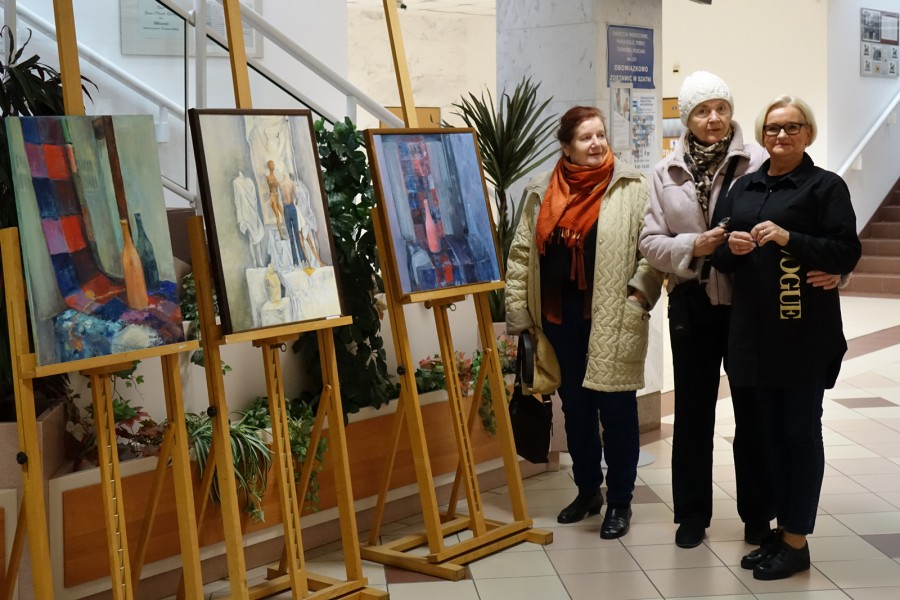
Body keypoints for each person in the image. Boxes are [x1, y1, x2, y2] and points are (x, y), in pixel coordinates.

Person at [711, 96, 861, 580]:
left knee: (800, 434)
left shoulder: (825, 186)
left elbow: (846, 251)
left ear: (808, 133)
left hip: (804, 335)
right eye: (773, 128)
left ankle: (797, 540)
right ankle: (781, 533)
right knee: (768, 436)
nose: (782, 135)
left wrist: (788, 238)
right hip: (753, 336)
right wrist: (731, 248)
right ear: (762, 134)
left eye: (793, 127)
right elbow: (721, 258)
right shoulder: (744, 186)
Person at [506, 106, 662, 539]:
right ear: (566, 146)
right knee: (575, 410)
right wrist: (519, 313)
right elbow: (521, 253)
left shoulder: (632, 187)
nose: (596, 144)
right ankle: (588, 490)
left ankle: (621, 501)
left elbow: (652, 250)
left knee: (618, 412)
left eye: (600, 135)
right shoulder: (541, 189)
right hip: (559, 319)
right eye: (585, 138)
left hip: (613, 318)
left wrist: (638, 296)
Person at [640, 71, 777, 549]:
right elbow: (650, 243)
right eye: (701, 110)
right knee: (693, 414)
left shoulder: (757, 161)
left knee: (752, 412)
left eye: (720, 107)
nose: (713, 118)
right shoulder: (666, 171)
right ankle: (692, 515)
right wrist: (692, 246)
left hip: (748, 302)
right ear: (687, 118)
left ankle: (758, 515)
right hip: (691, 302)